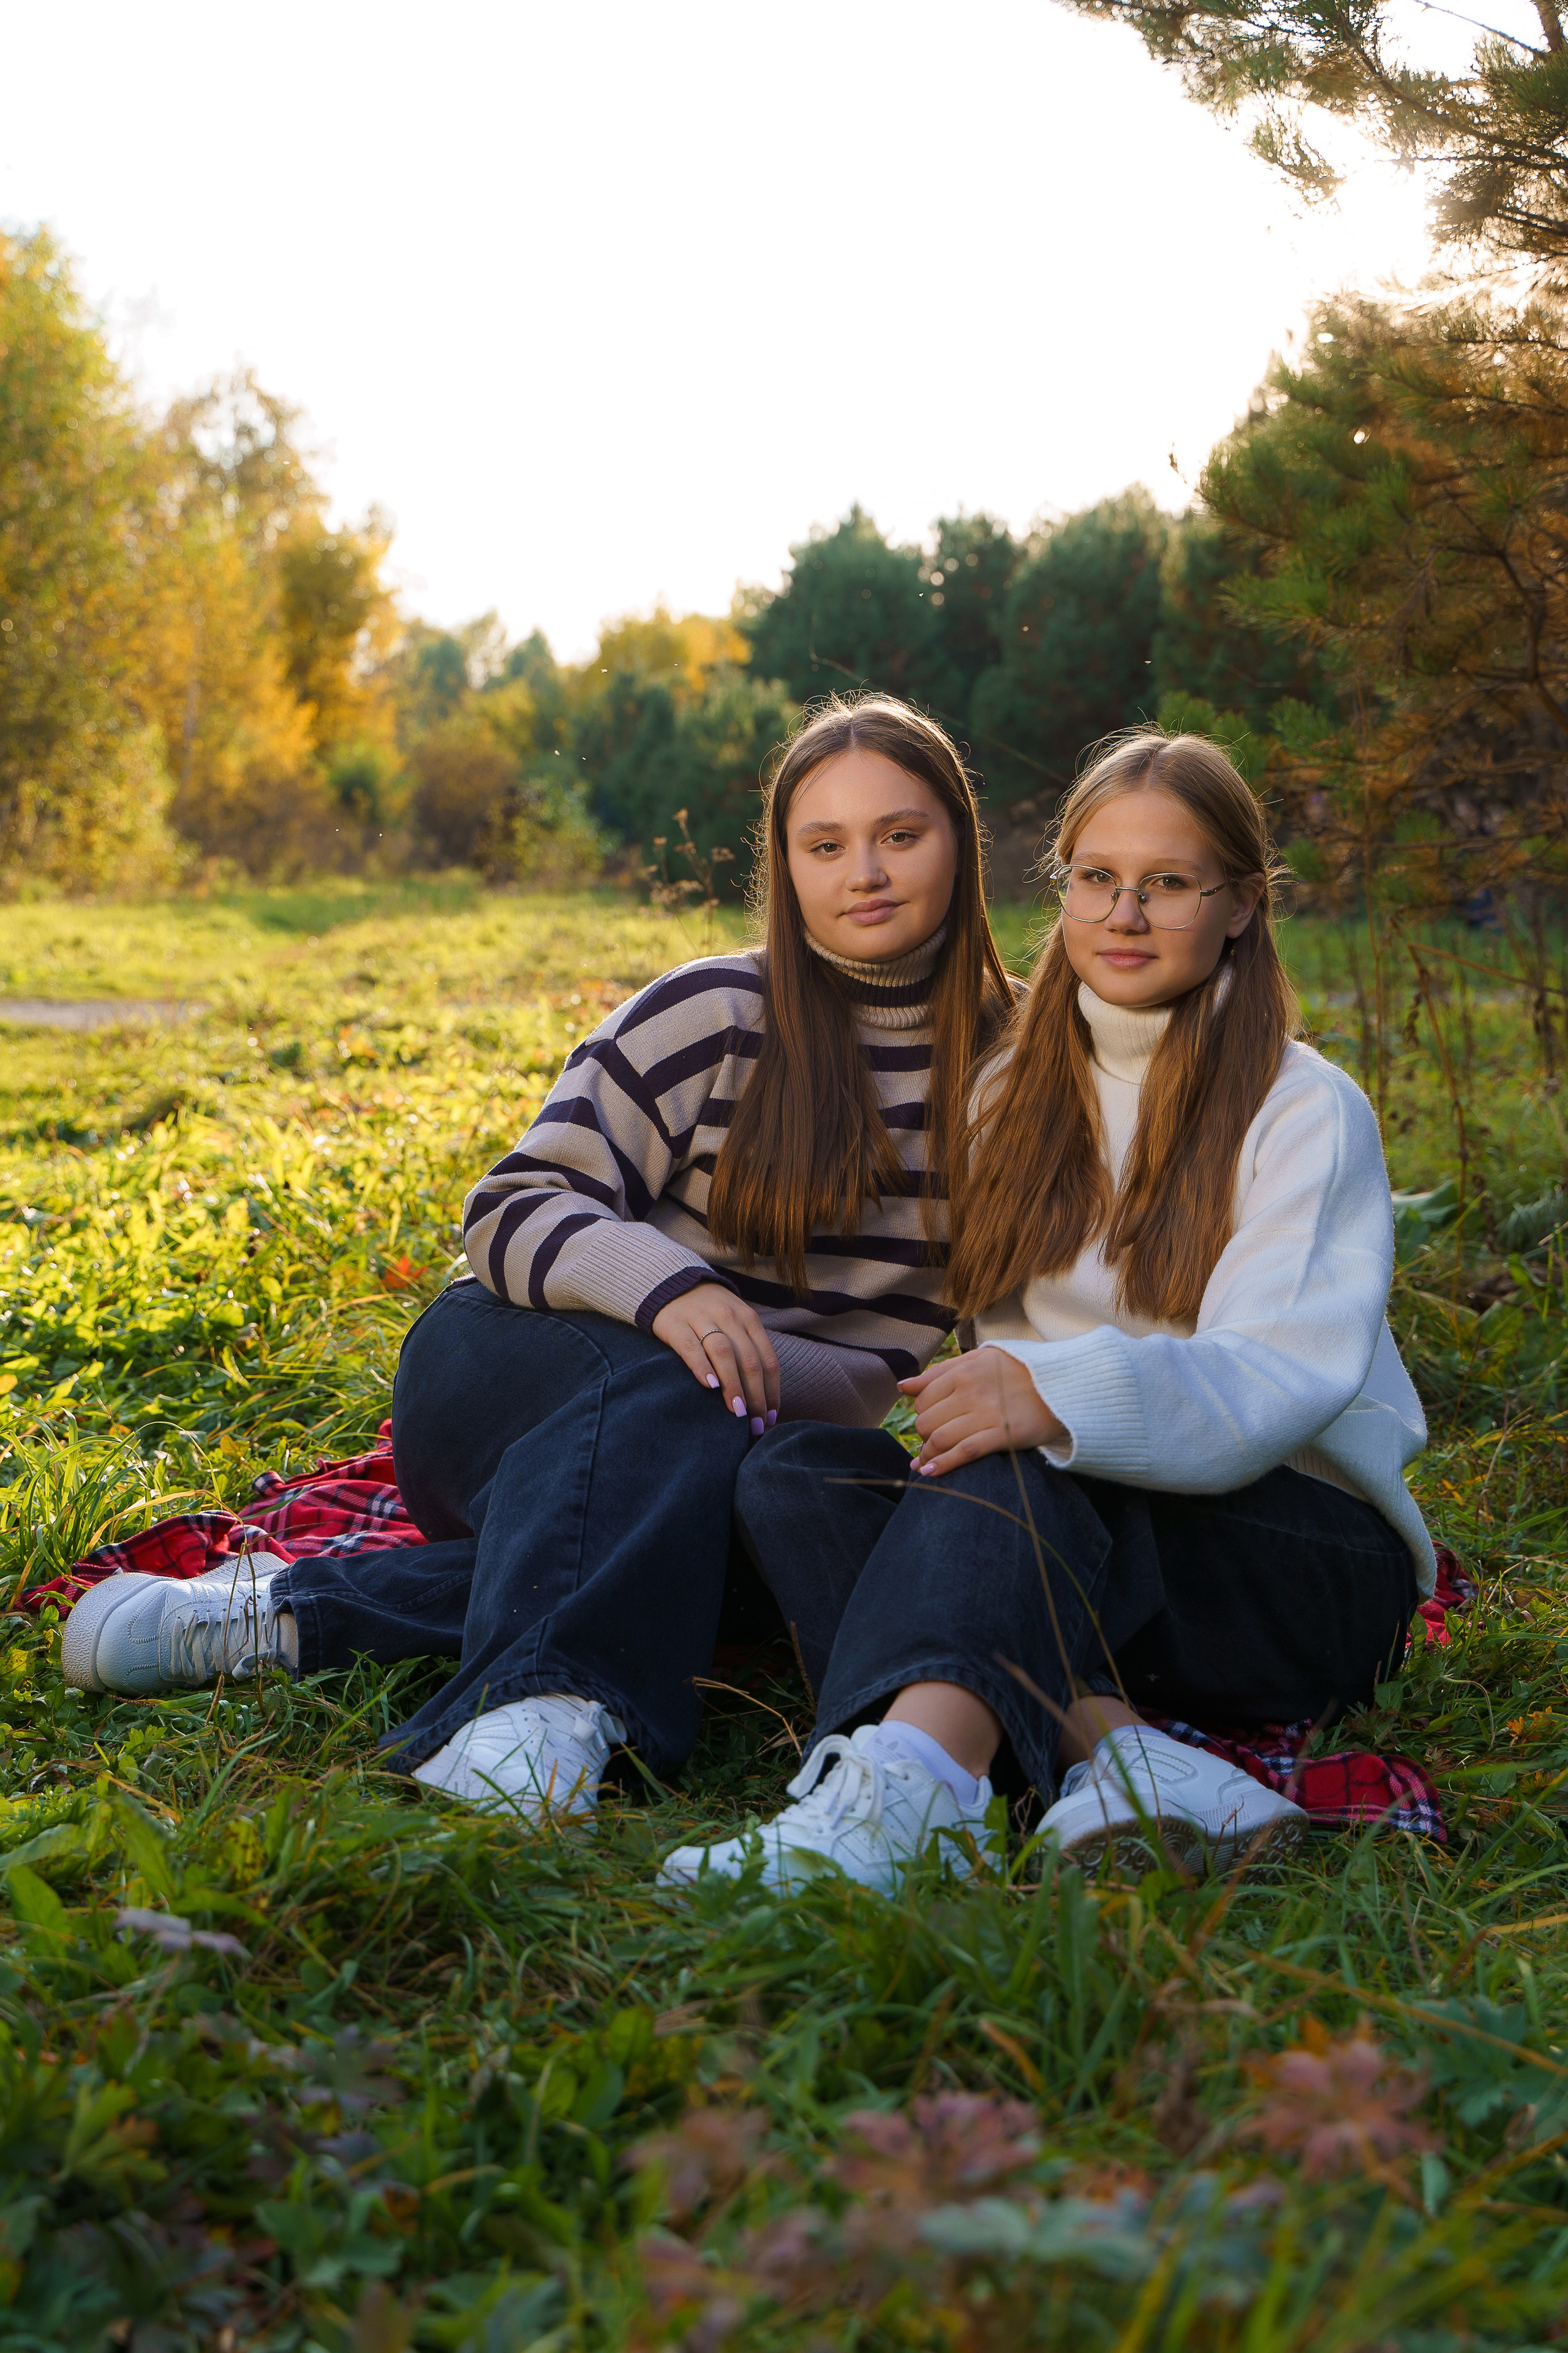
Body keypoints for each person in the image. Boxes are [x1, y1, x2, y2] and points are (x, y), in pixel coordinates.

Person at [63, 695, 1015, 1824]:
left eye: (900, 835)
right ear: (787, 866)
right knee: (685, 1380)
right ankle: (552, 1697)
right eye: (826, 845)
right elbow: (512, 1208)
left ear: (959, 839)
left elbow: (1012, 1323)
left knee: (726, 1550)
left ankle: (281, 1614)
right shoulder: (715, 1012)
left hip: (736, 1453)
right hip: (516, 1376)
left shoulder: (1024, 1069)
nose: (865, 871)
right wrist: (672, 1291)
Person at [661, 730, 1436, 1894]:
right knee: (802, 1478)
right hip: (1088, 1543)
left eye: (1169, 883)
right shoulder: (1005, 1090)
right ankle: (1126, 1758)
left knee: (1015, 1466)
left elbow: (1272, 1379)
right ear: (1062, 886)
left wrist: (1048, 1392)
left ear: (1240, 905)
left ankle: (908, 1796)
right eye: (1095, 877)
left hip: (1298, 1562)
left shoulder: (1305, 1109)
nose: (1124, 912)